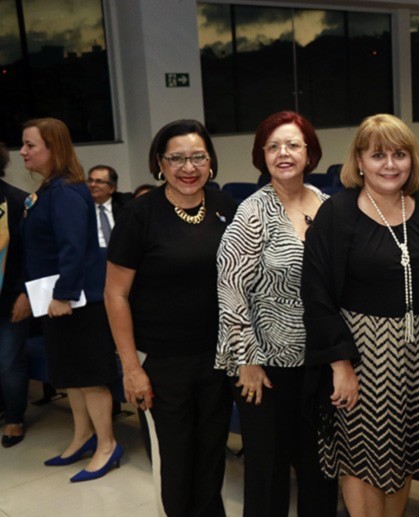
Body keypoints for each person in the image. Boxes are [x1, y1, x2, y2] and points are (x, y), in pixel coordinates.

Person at [302, 114, 419, 517]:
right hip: (360, 354)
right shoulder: (338, 213)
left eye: (399, 154)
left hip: (418, 353)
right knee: (362, 457)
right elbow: (316, 292)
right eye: (378, 155)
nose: (390, 164)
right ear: (359, 161)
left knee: (402, 455)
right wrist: (340, 364)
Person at [105, 119, 237, 515]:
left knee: (212, 457)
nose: (188, 167)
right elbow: (115, 294)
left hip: (218, 359)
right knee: (175, 464)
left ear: (210, 161)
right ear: (159, 163)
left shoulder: (226, 207)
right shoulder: (139, 215)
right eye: (176, 158)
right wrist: (131, 368)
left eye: (198, 157)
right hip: (161, 363)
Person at [216, 111, 337, 517]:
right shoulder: (251, 212)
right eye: (273, 146)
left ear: (309, 154)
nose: (283, 153)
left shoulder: (327, 205)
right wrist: (246, 361)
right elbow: (230, 290)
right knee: (268, 474)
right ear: (262, 155)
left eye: (293, 145)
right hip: (265, 367)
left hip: (317, 362)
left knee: (320, 469)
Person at [19, 118, 120, 481]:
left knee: (90, 377)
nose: (23, 152)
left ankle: (107, 445)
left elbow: (73, 248)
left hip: (77, 301)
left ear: (54, 148)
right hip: (55, 299)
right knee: (71, 376)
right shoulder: (50, 188)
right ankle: (82, 436)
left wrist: (63, 294)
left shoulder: (65, 192)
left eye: (30, 145)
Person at [0, 142, 31, 448]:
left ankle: (14, 418)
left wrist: (25, 293)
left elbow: (31, 254)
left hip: (11, 298)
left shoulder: (18, 201)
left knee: (9, 361)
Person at [86, 165, 132, 249]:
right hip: (94, 254)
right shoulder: (82, 207)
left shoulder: (125, 203)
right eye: (90, 180)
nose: (92, 185)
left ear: (112, 188)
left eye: (99, 181)